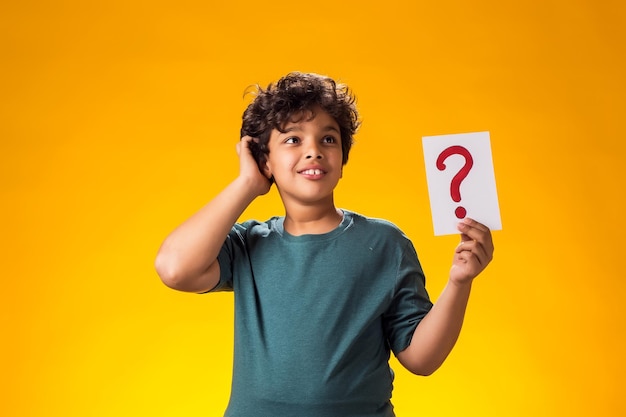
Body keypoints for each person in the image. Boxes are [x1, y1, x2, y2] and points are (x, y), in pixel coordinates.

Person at [155, 72, 494, 417]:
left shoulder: (386, 244)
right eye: (292, 140)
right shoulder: (247, 244)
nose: (313, 151)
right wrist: (247, 183)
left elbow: (422, 359)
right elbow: (175, 268)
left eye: (328, 139)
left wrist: (459, 281)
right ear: (264, 160)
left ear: (343, 160)